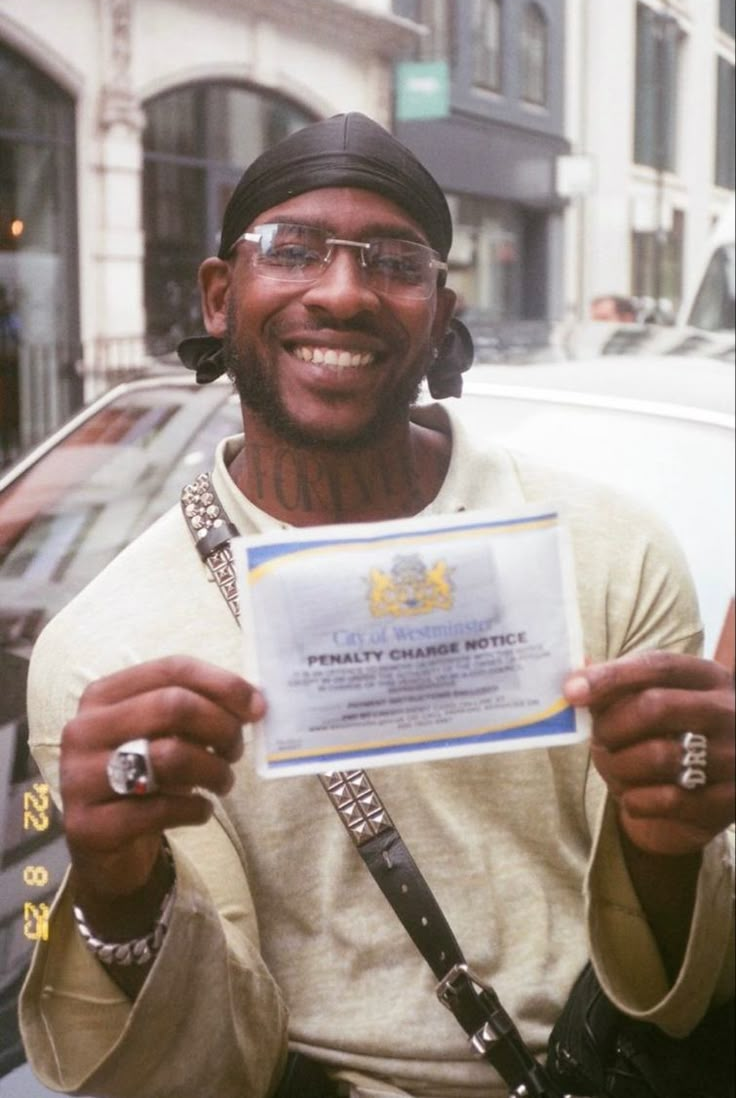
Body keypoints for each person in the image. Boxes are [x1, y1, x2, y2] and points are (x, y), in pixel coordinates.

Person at [20, 113, 734, 1098]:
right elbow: (182, 1070)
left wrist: (668, 843)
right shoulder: (104, 652)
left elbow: (692, 978)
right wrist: (111, 887)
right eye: (293, 250)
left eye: (394, 262)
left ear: (439, 315)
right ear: (222, 296)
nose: (343, 291)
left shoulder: (611, 551)